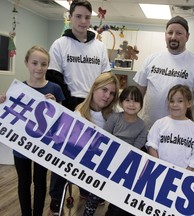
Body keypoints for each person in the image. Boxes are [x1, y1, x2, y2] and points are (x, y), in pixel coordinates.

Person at [46, 0, 111, 212]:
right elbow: (54, 77)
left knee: (90, 153)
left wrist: (96, 102)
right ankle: (57, 197)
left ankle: (87, 190)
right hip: (68, 104)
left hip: (94, 108)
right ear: (70, 17)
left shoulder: (99, 46)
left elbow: (105, 77)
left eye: (86, 17)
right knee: (62, 154)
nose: (83, 21)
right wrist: (70, 104)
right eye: (78, 16)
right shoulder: (59, 44)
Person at [0, 45, 65, 216]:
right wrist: (2, 102)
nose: (39, 67)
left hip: (43, 146)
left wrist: (56, 105)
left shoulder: (55, 89)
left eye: (43, 64)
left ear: (48, 66)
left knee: (40, 181)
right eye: (34, 63)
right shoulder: (17, 88)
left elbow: (63, 120)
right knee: (24, 182)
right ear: (26, 63)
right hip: (21, 146)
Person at [133, 15, 194, 130]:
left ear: (187, 36)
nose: (173, 37)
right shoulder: (151, 60)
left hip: (178, 135)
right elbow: (138, 93)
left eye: (179, 33)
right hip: (148, 129)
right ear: (165, 35)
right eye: (170, 32)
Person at [103, 86, 148, 216]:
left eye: (135, 101)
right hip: (109, 158)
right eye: (127, 100)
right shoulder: (114, 118)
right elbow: (105, 137)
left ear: (141, 104)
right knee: (95, 195)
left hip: (127, 163)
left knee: (120, 195)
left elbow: (137, 147)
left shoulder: (142, 126)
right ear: (121, 102)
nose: (131, 104)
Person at [80, 72, 119, 216]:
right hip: (83, 166)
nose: (108, 96)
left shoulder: (115, 116)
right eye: (104, 90)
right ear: (94, 88)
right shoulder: (79, 114)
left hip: (104, 169)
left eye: (112, 93)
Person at [146, 84, 194, 171]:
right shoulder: (159, 124)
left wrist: (185, 173)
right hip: (158, 170)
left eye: (180, 101)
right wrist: (157, 166)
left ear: (189, 103)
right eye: (172, 101)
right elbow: (152, 146)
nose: (175, 104)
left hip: (182, 175)